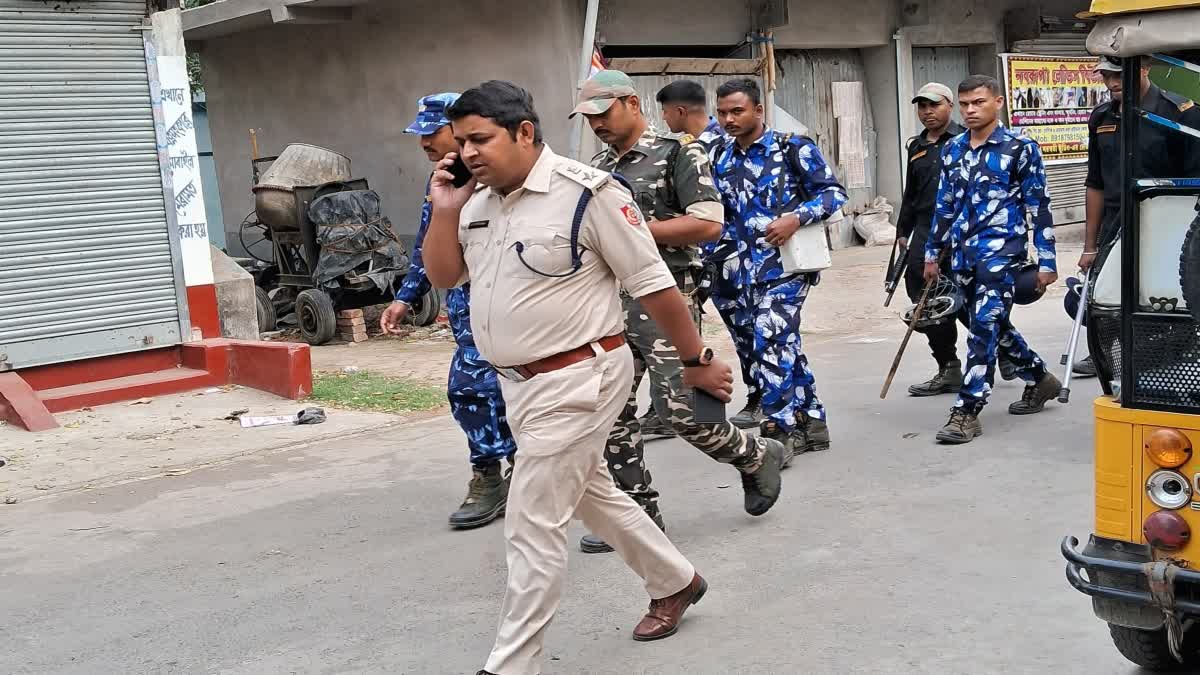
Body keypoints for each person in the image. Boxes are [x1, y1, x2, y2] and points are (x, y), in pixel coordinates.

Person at [418, 80, 752, 675]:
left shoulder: (588, 194)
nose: (468, 153)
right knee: (591, 494)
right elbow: (446, 276)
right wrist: (444, 208)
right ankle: (675, 579)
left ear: (524, 132)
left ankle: (512, 665)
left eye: (480, 139)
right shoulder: (475, 203)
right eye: (461, 142)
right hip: (518, 385)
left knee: (532, 521)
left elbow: (654, 285)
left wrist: (698, 361)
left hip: (581, 376)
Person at [574, 70, 787, 555]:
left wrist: (635, 232)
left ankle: (755, 456)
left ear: (631, 103)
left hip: (667, 296)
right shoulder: (599, 165)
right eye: (589, 118)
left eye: (603, 113)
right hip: (608, 300)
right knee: (610, 412)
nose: (597, 125)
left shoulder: (678, 152)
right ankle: (638, 515)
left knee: (685, 412)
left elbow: (709, 223)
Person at [381, 93, 518, 530]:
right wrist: (406, 296)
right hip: (468, 315)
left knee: (525, 397)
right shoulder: (440, 182)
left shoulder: (509, 179)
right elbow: (427, 246)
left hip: (518, 309)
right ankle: (489, 476)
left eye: (433, 131)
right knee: (471, 392)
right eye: (419, 133)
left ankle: (529, 473)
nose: (424, 142)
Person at [711, 77, 848, 455]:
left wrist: (796, 217)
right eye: (722, 112)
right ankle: (813, 421)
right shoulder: (721, 156)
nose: (728, 119)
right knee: (779, 344)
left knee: (769, 339)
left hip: (786, 267)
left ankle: (779, 430)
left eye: (737, 111)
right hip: (740, 271)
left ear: (759, 110)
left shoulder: (792, 147)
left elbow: (834, 194)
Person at [924, 75, 1062, 444]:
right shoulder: (952, 149)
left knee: (984, 327)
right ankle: (1039, 377)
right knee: (985, 325)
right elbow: (944, 206)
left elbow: (1039, 206)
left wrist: (1047, 261)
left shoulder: (1021, 148)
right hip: (963, 256)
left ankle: (967, 410)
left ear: (997, 103)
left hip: (1003, 255)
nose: (971, 110)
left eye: (979, 103)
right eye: (965, 104)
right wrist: (931, 253)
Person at [1075, 56, 1200, 376]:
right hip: (1115, 220)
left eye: (1119, 74)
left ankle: (1169, 348)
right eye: (1106, 75)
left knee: (1161, 295)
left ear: (1144, 67)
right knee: (1100, 297)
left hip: (1165, 221)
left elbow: (1193, 181)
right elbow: (1095, 182)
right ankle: (1108, 350)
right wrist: (1090, 244)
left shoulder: (1179, 112)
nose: (1112, 82)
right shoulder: (1101, 116)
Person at [656, 79, 763, 429]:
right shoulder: (683, 148)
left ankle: (756, 398)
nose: (663, 119)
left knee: (748, 330)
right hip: (700, 260)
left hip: (733, 256)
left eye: (665, 112)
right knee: (694, 336)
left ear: (679, 111)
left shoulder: (725, 145)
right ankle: (674, 412)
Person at [895, 83, 967, 397]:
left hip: (962, 229)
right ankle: (948, 366)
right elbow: (911, 193)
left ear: (949, 106)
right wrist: (902, 231)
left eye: (934, 105)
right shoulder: (917, 146)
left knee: (972, 299)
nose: (928, 112)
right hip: (924, 230)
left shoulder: (966, 140)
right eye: (922, 106)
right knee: (927, 303)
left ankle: (1006, 353)